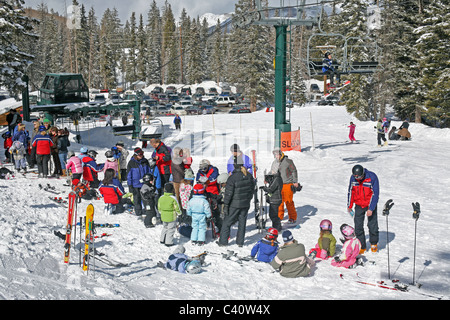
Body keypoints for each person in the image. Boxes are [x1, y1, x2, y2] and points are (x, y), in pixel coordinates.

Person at [218, 162, 255, 247]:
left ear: (234, 166)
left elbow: (228, 194)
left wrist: (226, 204)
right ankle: (240, 242)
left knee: (227, 223)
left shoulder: (232, 178)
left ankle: (223, 242)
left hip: (234, 204)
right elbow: (252, 189)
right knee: (242, 223)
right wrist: (248, 199)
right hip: (245, 203)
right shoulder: (249, 176)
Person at [347, 164, 380, 253]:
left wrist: (371, 208)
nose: (357, 179)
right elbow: (351, 191)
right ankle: (362, 246)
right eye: (356, 177)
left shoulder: (372, 177)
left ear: (363, 173)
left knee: (372, 225)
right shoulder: (353, 178)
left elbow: (375, 194)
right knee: (358, 226)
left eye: (360, 177)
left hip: (369, 205)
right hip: (359, 204)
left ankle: (373, 243)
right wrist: (349, 205)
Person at [270, 148, 300, 224]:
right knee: (280, 202)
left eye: (277, 154)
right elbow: (272, 172)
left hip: (287, 184)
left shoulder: (287, 161)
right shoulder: (274, 163)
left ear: (280, 154)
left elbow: (294, 171)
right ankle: (280, 216)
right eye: (275, 155)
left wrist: (295, 181)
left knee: (288, 201)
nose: (276, 156)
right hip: (278, 185)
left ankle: (292, 217)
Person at [127, 147, 151, 216]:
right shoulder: (131, 163)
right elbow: (129, 176)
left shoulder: (145, 161)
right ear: (135, 155)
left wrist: (149, 180)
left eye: (142, 154)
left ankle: (147, 211)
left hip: (144, 184)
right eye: (139, 155)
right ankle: (138, 212)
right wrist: (130, 186)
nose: (141, 156)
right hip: (135, 185)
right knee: (137, 199)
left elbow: (149, 171)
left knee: (146, 199)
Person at [158, 182, 182, 247]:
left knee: (165, 227)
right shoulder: (173, 198)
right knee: (171, 229)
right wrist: (179, 214)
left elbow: (159, 207)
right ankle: (168, 242)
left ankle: (162, 239)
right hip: (171, 216)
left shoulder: (161, 197)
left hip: (163, 215)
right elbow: (177, 207)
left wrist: (161, 212)